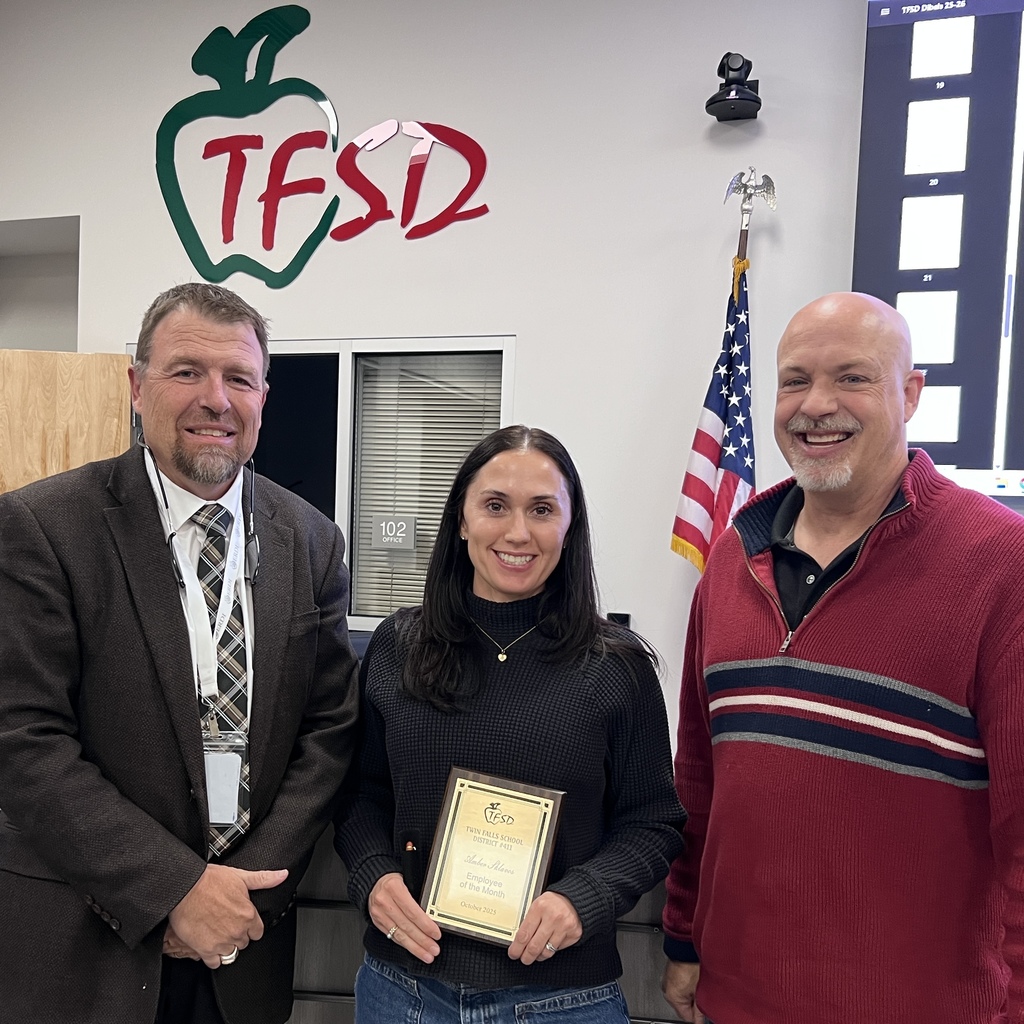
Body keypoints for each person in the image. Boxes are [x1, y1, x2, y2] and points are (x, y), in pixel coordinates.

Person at [0, 282, 360, 1024]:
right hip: (90, 944)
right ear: (137, 386)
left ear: (264, 394)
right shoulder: (43, 527)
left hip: (244, 948)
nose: (215, 400)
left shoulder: (312, 540)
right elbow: (24, 741)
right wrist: (174, 890)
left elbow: (328, 732)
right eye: (187, 371)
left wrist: (238, 892)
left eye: (238, 378)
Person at [661, 291, 1024, 1023]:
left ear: (910, 393)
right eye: (795, 380)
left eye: (852, 377)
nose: (816, 405)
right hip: (736, 1001)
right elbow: (700, 778)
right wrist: (682, 936)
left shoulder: (1002, 567)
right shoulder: (732, 558)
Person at [334, 424, 685, 1022]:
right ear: (462, 519)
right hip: (405, 993)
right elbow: (360, 795)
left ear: (569, 528)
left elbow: (653, 823)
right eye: (495, 505)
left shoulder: (617, 667)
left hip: (563, 999)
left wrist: (585, 897)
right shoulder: (398, 646)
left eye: (542, 510)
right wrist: (373, 875)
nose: (518, 532)